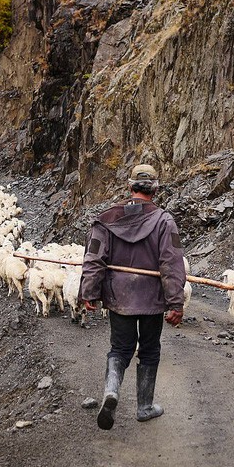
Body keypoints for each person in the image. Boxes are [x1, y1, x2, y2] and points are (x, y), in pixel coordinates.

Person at [78, 164, 185, 430]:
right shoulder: (164, 221)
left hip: (119, 298)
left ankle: (111, 392)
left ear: (130, 187)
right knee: (149, 351)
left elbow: (93, 258)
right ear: (156, 189)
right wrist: (176, 303)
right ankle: (144, 407)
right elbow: (172, 262)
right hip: (152, 300)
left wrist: (89, 291)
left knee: (120, 349)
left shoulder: (105, 219)